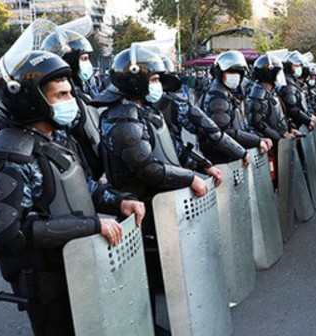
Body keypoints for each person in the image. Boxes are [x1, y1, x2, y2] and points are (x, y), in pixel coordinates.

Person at [0, 48, 145, 335]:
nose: (71, 102)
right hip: (47, 280)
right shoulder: (7, 155)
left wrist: (121, 201)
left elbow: (83, 186)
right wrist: (90, 225)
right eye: (61, 96)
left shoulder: (56, 137)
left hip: (80, 265)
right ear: (32, 100)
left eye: (70, 93)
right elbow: (7, 232)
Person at [92, 44, 210, 335]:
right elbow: (148, 168)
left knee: (156, 272)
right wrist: (189, 178)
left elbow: (172, 149)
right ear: (137, 80)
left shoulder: (141, 111)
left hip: (154, 205)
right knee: (142, 276)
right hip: (141, 205)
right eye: (154, 79)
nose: (157, 85)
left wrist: (203, 166)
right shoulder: (123, 117)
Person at [41, 27, 105, 180]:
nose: (87, 64)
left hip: (92, 175)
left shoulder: (82, 90)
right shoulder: (55, 99)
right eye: (83, 59)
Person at [201, 50, 272, 164]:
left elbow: (241, 125)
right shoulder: (218, 98)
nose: (234, 76)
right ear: (220, 73)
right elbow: (224, 133)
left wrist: (257, 138)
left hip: (230, 152)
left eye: (238, 72)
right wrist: (255, 141)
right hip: (223, 156)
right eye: (230, 71)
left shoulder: (228, 93)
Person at [278, 51, 316, 130]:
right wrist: (307, 120)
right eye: (296, 65)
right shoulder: (288, 83)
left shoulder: (292, 81)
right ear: (289, 66)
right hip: (293, 125)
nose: (299, 68)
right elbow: (292, 108)